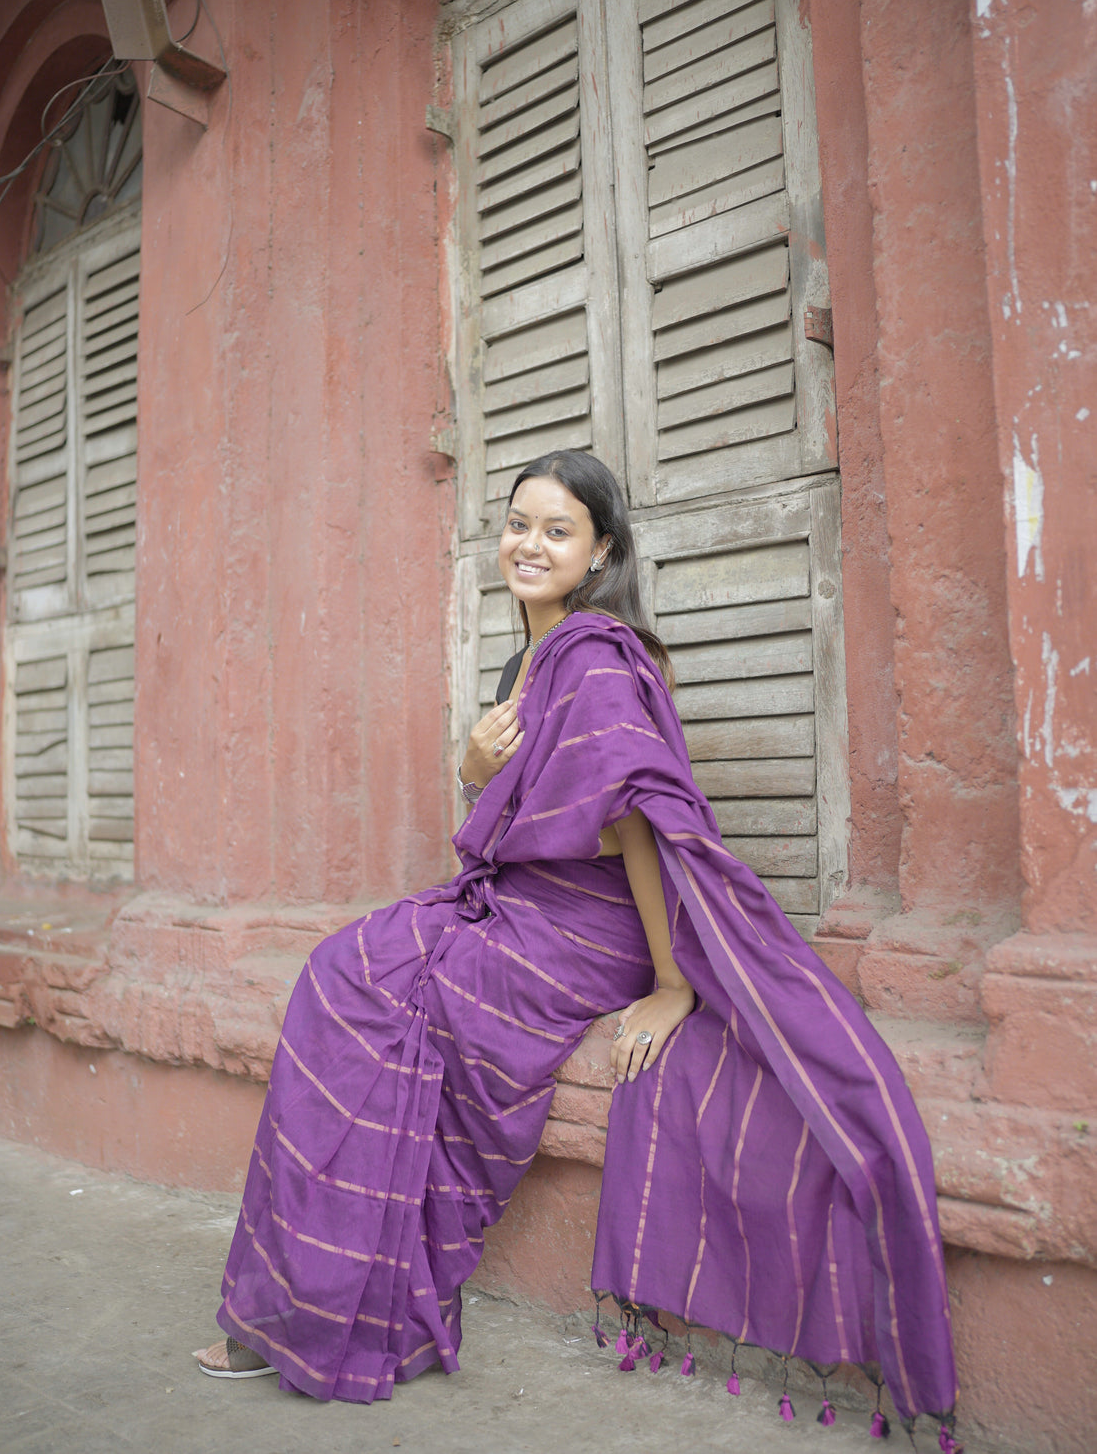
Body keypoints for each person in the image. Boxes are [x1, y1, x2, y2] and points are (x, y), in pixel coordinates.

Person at [195, 450, 959, 1442]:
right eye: (518, 523)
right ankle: (314, 1297)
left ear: (601, 550)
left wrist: (674, 983)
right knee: (338, 976)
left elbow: (635, 825)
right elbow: (527, 809)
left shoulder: (596, 654)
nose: (529, 544)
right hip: (520, 899)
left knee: (381, 1002)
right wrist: (473, 766)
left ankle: (340, 1306)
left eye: (557, 530)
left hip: (587, 927)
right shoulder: (530, 660)